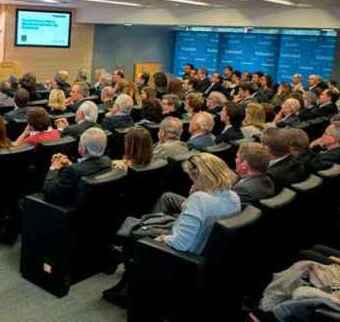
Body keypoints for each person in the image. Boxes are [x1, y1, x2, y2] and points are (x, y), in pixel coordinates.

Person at [104, 153, 241, 305]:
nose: (191, 180)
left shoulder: (200, 199)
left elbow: (182, 243)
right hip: (205, 251)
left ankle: (130, 288)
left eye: (192, 177)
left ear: (201, 177)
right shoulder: (233, 196)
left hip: (183, 256)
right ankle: (129, 281)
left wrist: (164, 238)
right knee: (138, 226)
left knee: (134, 231)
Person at [44, 128, 112, 207]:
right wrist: (70, 164)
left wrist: (54, 168)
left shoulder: (73, 170)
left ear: (82, 149)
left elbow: (50, 193)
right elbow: (84, 170)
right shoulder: (107, 161)